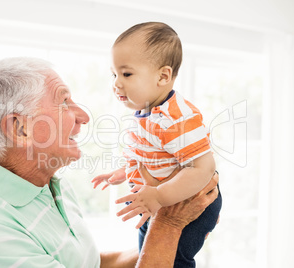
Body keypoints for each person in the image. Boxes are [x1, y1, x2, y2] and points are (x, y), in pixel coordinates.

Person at [0, 57, 219, 268]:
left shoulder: (49, 188)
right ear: (20, 129)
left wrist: (180, 240)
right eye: (64, 102)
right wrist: (168, 225)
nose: (83, 115)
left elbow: (88, 264)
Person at [91, 22, 222, 267]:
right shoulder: (148, 112)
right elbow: (152, 155)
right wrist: (124, 172)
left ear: (163, 76)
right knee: (147, 249)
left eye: (127, 74)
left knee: (175, 259)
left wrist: (160, 196)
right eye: (114, 74)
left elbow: (203, 167)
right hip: (159, 200)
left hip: (186, 199)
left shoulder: (176, 117)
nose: (116, 83)